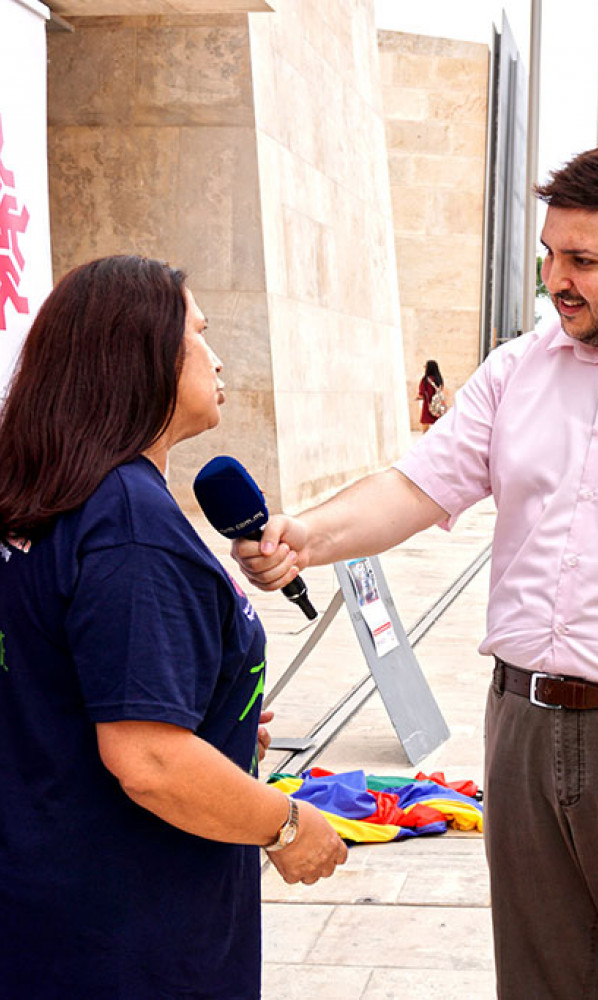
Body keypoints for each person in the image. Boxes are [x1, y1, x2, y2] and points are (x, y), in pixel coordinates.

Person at [233, 143, 598, 999]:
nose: (557, 280)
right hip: (522, 736)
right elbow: (417, 486)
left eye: (584, 261)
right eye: (550, 255)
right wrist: (305, 536)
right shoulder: (519, 368)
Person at [0, 255, 347, 999]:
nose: (217, 358)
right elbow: (150, 760)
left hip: (44, 908)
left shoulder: (49, 495)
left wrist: (216, 718)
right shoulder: (130, 526)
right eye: (199, 334)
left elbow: (56, 684)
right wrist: (287, 825)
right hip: (129, 932)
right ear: (143, 355)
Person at [416, 358, 447, 431]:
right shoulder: (439, 380)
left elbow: (421, 393)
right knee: (438, 426)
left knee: (425, 427)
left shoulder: (425, 380)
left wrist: (418, 397)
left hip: (428, 405)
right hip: (438, 406)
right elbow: (441, 390)